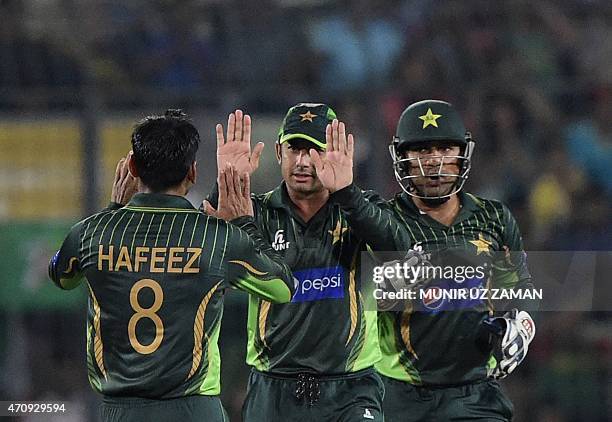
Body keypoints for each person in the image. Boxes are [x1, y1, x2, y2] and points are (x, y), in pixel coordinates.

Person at [48, 109, 295, 422]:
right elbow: (283, 288)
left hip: (119, 411)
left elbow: (61, 277)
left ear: (133, 167)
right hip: (193, 410)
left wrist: (113, 211)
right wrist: (244, 222)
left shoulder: (91, 234)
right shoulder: (218, 239)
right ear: (192, 172)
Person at [330, 99, 537, 421]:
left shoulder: (494, 217)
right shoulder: (381, 219)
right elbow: (352, 296)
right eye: (422, 151)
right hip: (399, 394)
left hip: (476, 392)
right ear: (403, 159)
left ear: (462, 155)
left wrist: (522, 322)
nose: (435, 162)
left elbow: (518, 288)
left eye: (444, 150)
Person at [203, 105, 404, 422]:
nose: (303, 161)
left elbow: (400, 253)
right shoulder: (255, 212)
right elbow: (204, 254)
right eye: (295, 148)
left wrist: (348, 194)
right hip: (274, 389)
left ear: (335, 152)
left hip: (350, 389)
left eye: (315, 150)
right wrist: (225, 181)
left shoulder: (359, 209)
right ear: (279, 151)